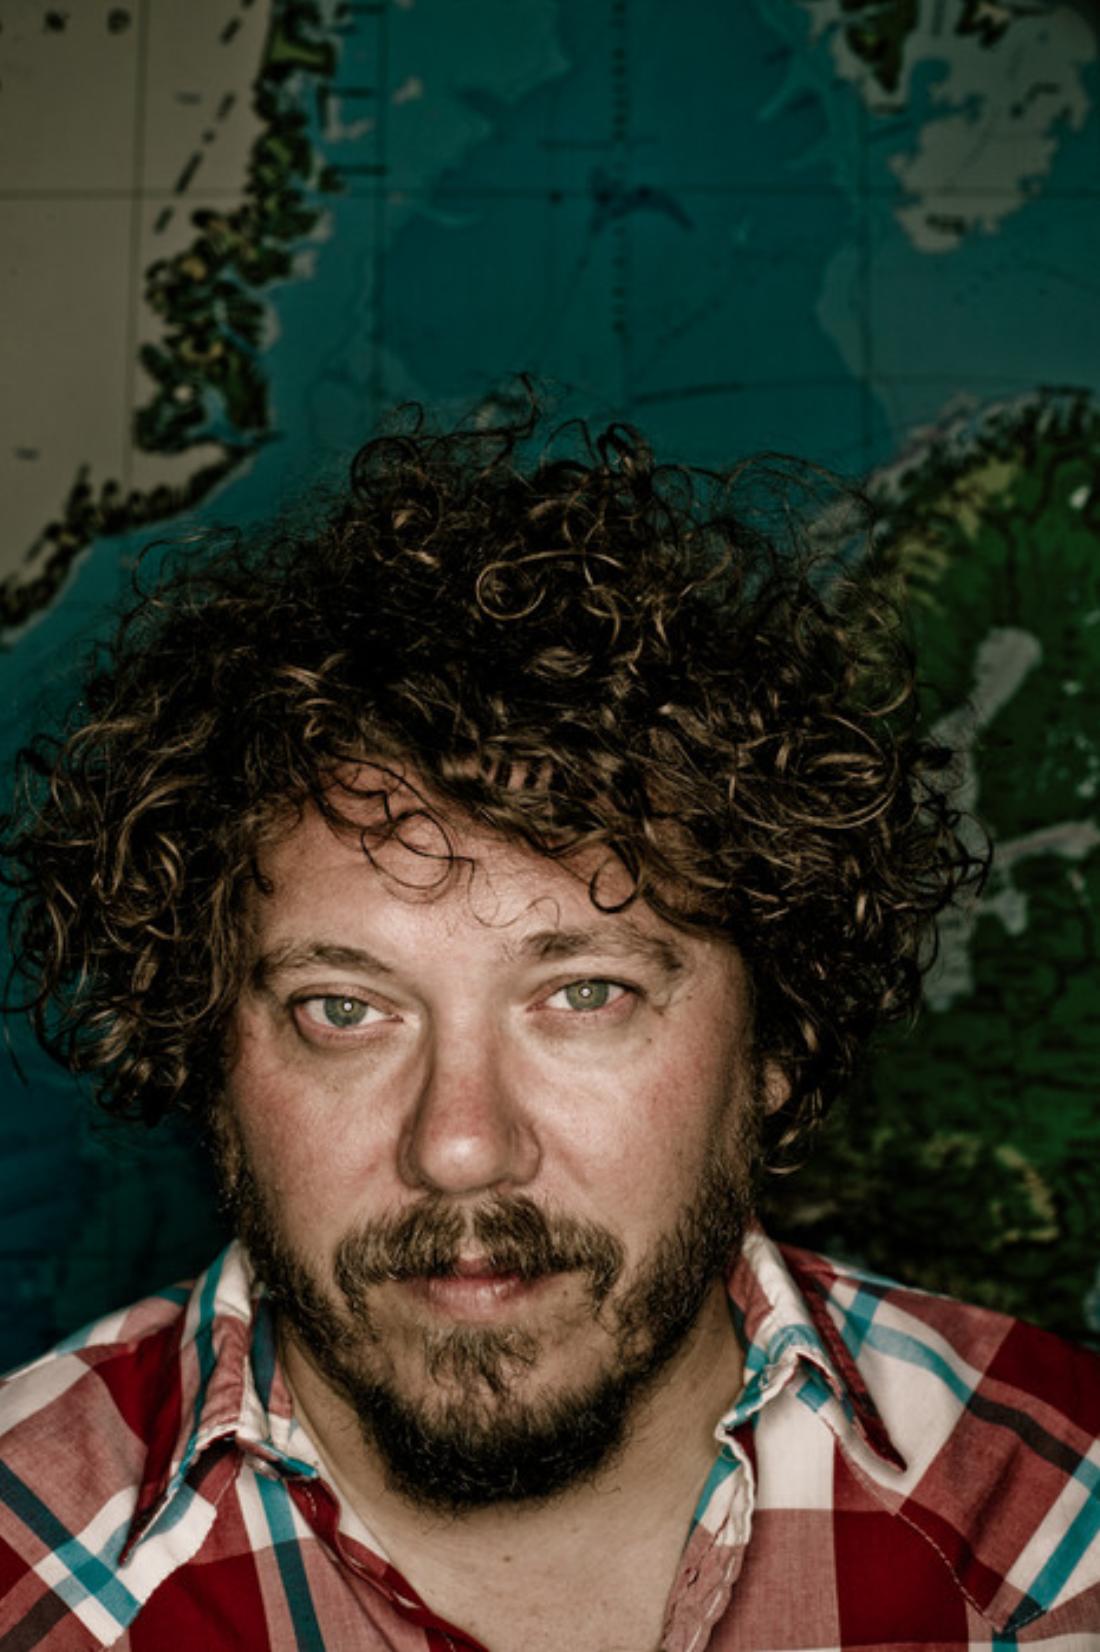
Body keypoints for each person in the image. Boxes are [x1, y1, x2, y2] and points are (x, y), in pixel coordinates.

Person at [0, 403, 1097, 1652]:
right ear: (212, 1061)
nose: (459, 1147)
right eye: (343, 1009)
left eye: (584, 993)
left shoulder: (1064, 1525)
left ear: (774, 1045)